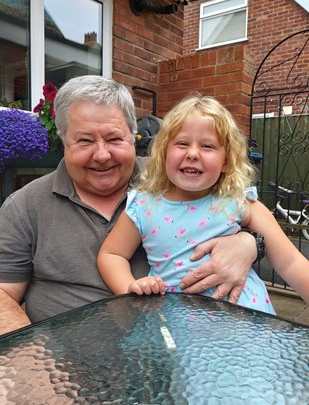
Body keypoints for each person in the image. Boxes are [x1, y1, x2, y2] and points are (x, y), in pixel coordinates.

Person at [0, 76, 259, 336]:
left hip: (175, 359)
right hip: (61, 368)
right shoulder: (25, 206)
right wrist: (30, 363)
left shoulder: (174, 178)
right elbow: (4, 294)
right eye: (85, 141)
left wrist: (250, 244)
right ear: (63, 141)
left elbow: (240, 211)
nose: (102, 155)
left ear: (133, 137)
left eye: (114, 139)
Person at [98, 93, 309, 313]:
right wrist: (130, 289)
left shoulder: (238, 201)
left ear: (226, 161)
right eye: (182, 143)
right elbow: (112, 255)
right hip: (179, 332)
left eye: (207, 146)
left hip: (245, 325)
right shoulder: (143, 206)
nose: (192, 153)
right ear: (163, 153)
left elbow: (291, 263)